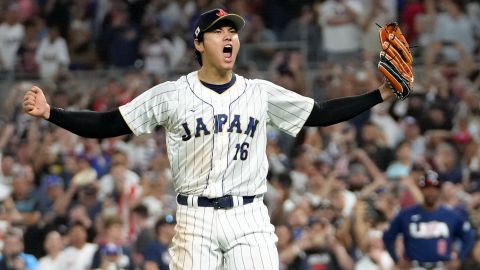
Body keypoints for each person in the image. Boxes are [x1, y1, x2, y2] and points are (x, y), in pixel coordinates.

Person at [24, 8, 400, 270]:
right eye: (220, 31)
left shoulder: (259, 92)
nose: (229, 37)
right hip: (194, 217)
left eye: (233, 32)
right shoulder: (171, 94)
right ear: (199, 44)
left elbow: (318, 113)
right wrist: (51, 113)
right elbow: (109, 123)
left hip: (249, 215)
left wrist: (378, 95)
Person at [383, 170, 475, 270]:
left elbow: (469, 236)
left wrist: (459, 258)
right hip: (415, 266)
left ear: (439, 190)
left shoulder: (451, 215)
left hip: (442, 266)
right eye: (427, 188)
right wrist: (397, 260)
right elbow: (388, 236)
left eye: (434, 188)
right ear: (421, 189)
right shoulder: (406, 214)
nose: (431, 192)